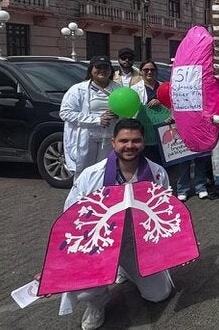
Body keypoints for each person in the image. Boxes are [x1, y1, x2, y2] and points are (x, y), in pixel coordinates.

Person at [58, 119, 173, 330]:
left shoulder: (157, 173)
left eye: (136, 140)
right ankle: (96, 304)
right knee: (83, 289)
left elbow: (166, 213)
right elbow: (70, 219)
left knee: (159, 294)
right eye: (124, 141)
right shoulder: (90, 176)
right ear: (113, 142)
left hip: (135, 243)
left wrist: (179, 246)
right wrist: (55, 265)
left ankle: (125, 268)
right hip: (98, 245)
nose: (130, 146)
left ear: (143, 142)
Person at [60, 56, 121, 179]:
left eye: (106, 67)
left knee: (105, 173)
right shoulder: (77, 90)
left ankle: (102, 197)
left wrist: (119, 115)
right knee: (83, 175)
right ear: (90, 70)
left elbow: (129, 113)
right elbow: (65, 113)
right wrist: (97, 120)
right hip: (87, 138)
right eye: (98, 67)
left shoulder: (119, 90)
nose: (102, 70)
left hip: (109, 139)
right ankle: (81, 197)